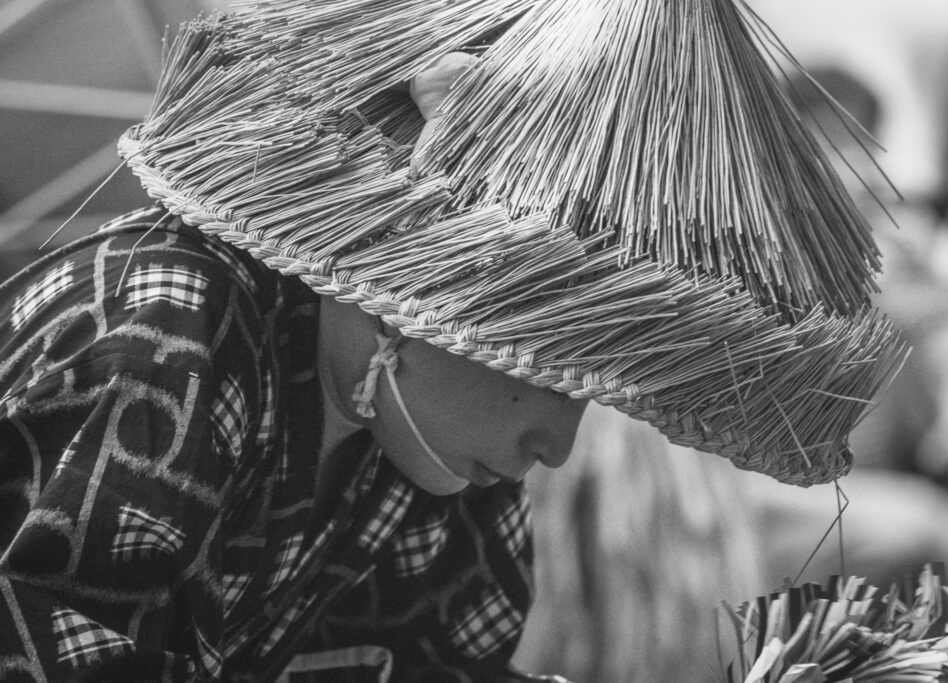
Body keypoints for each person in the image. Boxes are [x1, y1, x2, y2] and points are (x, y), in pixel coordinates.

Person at [0, 2, 901, 681]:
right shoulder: (164, 323)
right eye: (546, 374)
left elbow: (445, 664)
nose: (559, 445)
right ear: (408, 301)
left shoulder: (429, 462)